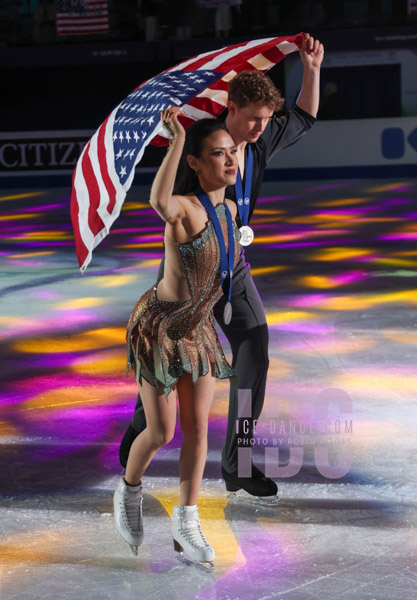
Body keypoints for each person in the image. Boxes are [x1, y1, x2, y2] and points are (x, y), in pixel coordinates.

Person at [119, 33, 324, 501]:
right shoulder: (204, 145)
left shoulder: (260, 137)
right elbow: (167, 203)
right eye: (252, 119)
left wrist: (310, 68)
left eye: (265, 120)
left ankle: (239, 463)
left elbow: (306, 117)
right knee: (167, 356)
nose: (258, 128)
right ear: (230, 109)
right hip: (190, 273)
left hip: (235, 267)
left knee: (255, 349)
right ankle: (142, 426)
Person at [114, 108, 240, 571]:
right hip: (161, 328)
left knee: (200, 429)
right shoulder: (185, 208)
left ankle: (186, 521)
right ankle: (128, 490)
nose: (228, 160)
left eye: (231, 153)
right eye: (216, 154)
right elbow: (157, 202)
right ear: (195, 163)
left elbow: (248, 132)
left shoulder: (230, 209)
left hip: (199, 327)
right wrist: (176, 140)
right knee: (162, 431)